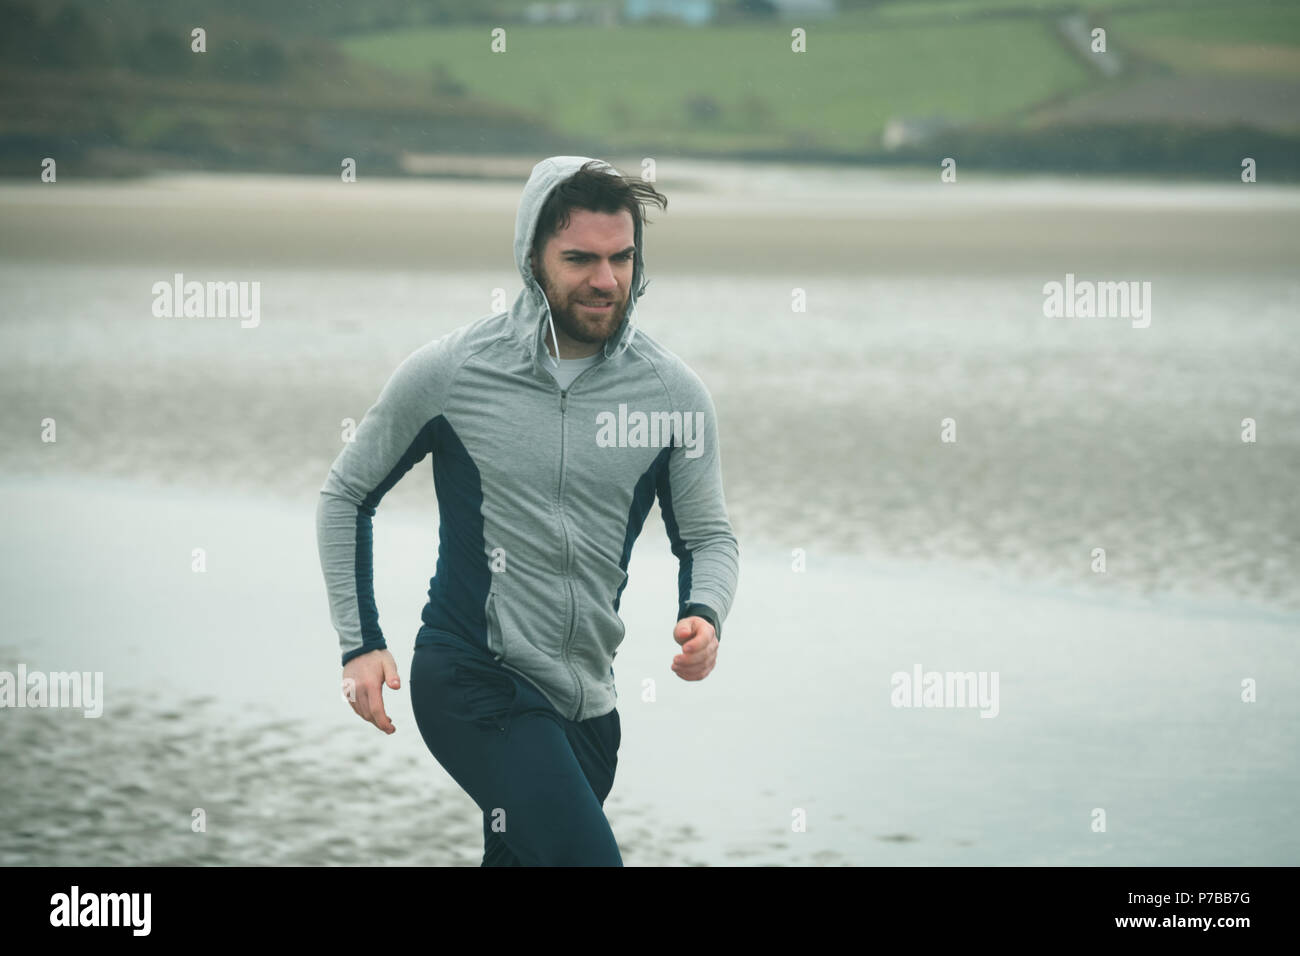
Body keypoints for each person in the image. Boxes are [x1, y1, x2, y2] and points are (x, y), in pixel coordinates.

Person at [315, 155, 740, 866]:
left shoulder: (672, 395)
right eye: (579, 259)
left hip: (589, 710)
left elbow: (709, 535)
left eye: (621, 258)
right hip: (473, 678)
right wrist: (360, 642)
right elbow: (346, 494)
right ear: (531, 259)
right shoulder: (453, 373)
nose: (605, 280)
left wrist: (707, 611)